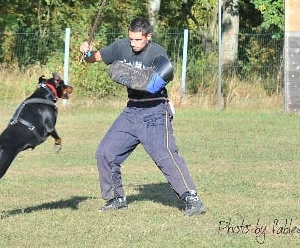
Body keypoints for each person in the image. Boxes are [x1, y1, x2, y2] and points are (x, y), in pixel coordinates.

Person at [79, 17, 205, 216]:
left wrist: (125, 73)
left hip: (154, 110)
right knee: (105, 153)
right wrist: (86, 51)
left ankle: (192, 198)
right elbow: (92, 59)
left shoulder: (157, 52)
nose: (133, 43)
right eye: (131, 39)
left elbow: (155, 83)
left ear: (148, 37)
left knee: (165, 155)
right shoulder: (121, 47)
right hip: (132, 111)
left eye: (138, 40)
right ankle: (116, 198)